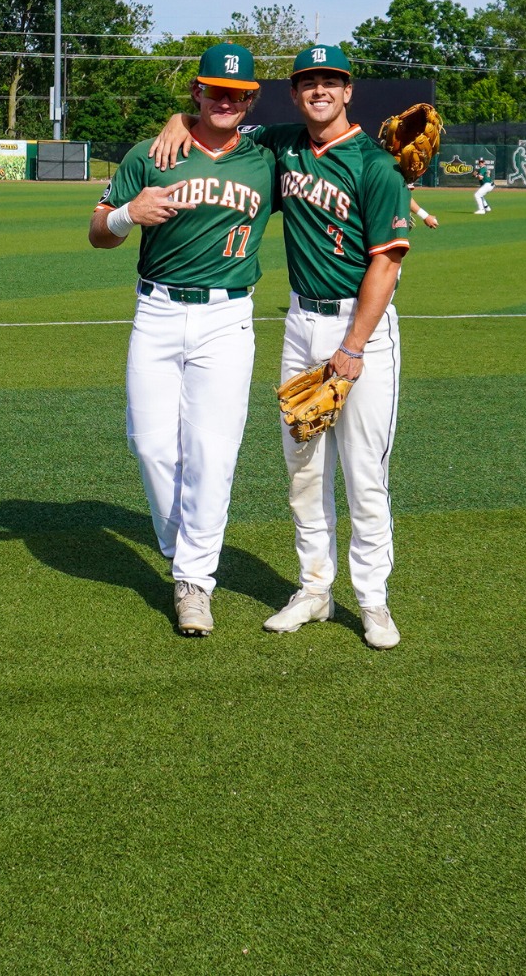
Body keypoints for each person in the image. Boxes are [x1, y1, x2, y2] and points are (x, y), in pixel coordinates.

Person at [152, 43, 412, 649]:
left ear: (348, 92)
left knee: (365, 476)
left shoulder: (376, 166)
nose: (320, 90)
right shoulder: (282, 144)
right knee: (304, 471)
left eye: (331, 81)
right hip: (300, 326)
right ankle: (314, 589)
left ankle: (373, 601)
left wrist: (353, 348)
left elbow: (386, 266)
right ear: (294, 94)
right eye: (308, 82)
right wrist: (176, 120)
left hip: (360, 333)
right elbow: (216, 127)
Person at [88, 43, 273, 638]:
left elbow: (328, 141)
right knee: (150, 445)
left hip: (227, 317)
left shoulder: (268, 155)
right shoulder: (151, 153)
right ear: (196, 90)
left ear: (251, 100)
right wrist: (128, 214)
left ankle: (194, 581)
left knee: (212, 454)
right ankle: (181, 547)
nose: (226, 100)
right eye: (215, 90)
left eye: (237, 94)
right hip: (158, 311)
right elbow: (98, 232)